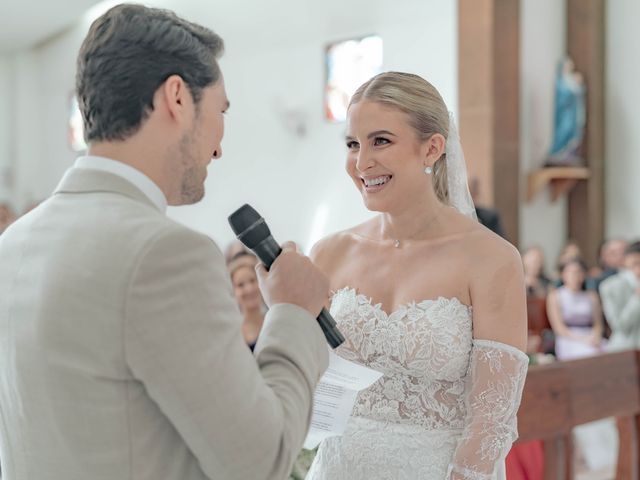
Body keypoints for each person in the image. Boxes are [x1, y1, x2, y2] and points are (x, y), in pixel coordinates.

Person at [0, 5, 330, 480]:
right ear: (177, 97)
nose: (219, 146)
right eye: (220, 111)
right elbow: (261, 461)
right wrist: (293, 313)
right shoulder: (164, 254)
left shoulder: (16, 241)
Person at [306, 72, 528, 479]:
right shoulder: (329, 252)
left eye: (381, 141)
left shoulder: (492, 259)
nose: (361, 162)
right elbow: (301, 375)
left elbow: (492, 416)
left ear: (432, 149)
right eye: (353, 144)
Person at [546, 259, 604, 360]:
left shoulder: (591, 296)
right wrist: (581, 339)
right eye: (570, 272)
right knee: (587, 354)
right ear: (563, 275)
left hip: (590, 334)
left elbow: (598, 323)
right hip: (568, 338)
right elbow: (559, 328)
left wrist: (596, 336)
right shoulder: (556, 296)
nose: (575, 275)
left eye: (578, 272)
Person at [600, 240, 640, 351]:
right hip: (625, 351)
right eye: (635, 263)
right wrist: (637, 298)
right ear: (626, 261)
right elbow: (620, 327)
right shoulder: (609, 286)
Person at [227, 251, 265, 351]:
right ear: (233, 291)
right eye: (240, 285)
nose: (249, 289)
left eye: (252, 280)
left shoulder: (275, 321)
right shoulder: (232, 334)